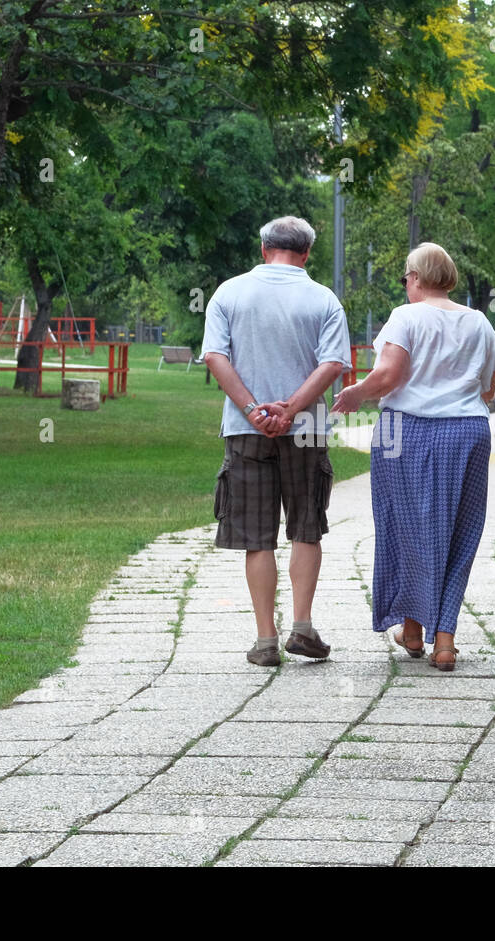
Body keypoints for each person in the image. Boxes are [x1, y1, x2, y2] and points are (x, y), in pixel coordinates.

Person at [331, 242, 495, 671]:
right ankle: (439, 639)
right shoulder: (478, 321)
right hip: (467, 431)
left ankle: (414, 629)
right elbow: (489, 387)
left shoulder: (405, 316)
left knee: (403, 524)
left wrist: (356, 392)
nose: (405, 284)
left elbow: (390, 374)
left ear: (415, 278)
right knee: (458, 532)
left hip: (403, 429)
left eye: (405, 277)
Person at [201, 216, 350, 667]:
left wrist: (253, 409)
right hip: (305, 429)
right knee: (306, 526)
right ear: (306, 254)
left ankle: (265, 639)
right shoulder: (324, 300)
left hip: (246, 430)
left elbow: (215, 357)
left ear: (263, 248)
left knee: (256, 537)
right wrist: (292, 409)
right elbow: (333, 365)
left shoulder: (228, 293)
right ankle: (301, 627)